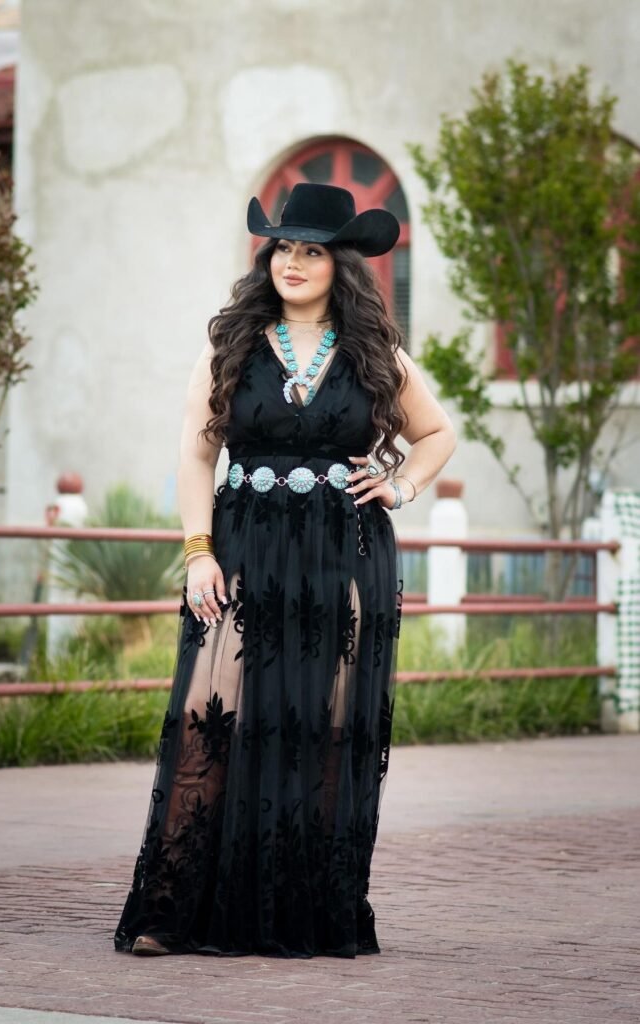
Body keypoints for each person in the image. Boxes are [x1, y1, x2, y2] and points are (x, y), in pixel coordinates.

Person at [113, 182, 457, 959]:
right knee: (210, 716)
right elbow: (196, 454)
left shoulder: (374, 354)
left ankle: (303, 912)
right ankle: (172, 912)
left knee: (323, 730)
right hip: (241, 549)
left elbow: (436, 433)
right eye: (282, 248)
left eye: (310, 251)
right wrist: (198, 552)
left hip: (344, 557)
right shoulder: (230, 344)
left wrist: (400, 485)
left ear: (339, 265)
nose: (292, 263)